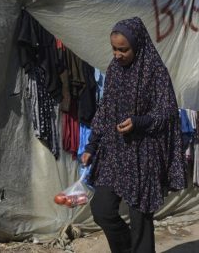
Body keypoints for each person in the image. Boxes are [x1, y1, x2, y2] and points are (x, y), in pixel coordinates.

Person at [81, 17, 186, 253]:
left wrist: (139, 122)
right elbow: (105, 109)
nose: (117, 54)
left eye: (123, 49)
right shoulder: (115, 70)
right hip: (114, 154)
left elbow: (167, 112)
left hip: (143, 155)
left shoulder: (155, 71)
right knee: (102, 210)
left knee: (141, 223)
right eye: (114, 49)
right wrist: (91, 146)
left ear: (137, 45)